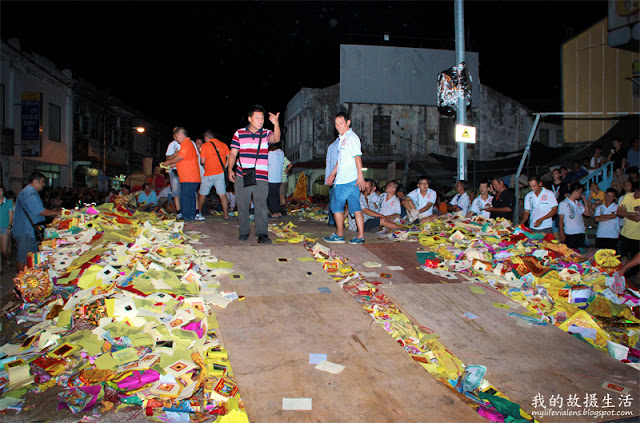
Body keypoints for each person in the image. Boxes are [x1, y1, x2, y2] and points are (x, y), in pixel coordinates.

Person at [228, 105, 281, 244]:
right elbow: (233, 153)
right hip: (242, 174)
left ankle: (262, 234)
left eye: (262, 118)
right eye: (257, 117)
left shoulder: (265, 133)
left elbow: (275, 139)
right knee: (243, 204)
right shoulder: (239, 133)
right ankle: (244, 231)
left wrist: (276, 124)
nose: (260, 120)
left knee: (261, 205)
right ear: (249, 118)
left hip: (261, 175)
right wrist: (230, 169)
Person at [323, 111, 366, 244]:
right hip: (351, 180)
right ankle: (360, 236)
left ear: (348, 122)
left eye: (341, 123)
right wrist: (332, 173)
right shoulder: (343, 138)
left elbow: (357, 157)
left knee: (336, 206)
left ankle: (340, 235)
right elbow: (341, 160)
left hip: (346, 180)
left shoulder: (351, 138)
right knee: (355, 208)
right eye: (336, 124)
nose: (338, 126)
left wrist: (361, 175)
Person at [13, 173, 61, 271]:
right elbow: (40, 210)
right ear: (35, 181)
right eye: (42, 182)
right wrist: (58, 213)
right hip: (26, 231)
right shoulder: (29, 193)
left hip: (28, 230)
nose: (44, 184)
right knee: (24, 257)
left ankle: (26, 280)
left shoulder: (29, 192)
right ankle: (20, 281)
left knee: (30, 257)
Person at [162, 127, 201, 222]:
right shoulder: (189, 143)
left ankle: (186, 217)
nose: (176, 139)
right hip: (191, 176)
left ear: (181, 135)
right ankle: (191, 216)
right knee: (190, 196)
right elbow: (184, 159)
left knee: (185, 196)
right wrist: (173, 164)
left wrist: (168, 162)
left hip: (189, 176)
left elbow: (180, 157)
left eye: (176, 136)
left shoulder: (186, 143)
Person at [200, 130, 230, 220]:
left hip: (209, 173)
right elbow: (230, 156)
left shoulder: (205, 146)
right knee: (222, 194)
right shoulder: (223, 145)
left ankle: (199, 213)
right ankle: (226, 215)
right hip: (220, 173)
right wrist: (225, 166)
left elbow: (202, 161)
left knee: (202, 194)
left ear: (206, 137)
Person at [558, 183, 590, 248]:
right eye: (580, 193)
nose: (580, 195)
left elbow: (587, 213)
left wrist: (585, 201)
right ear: (575, 192)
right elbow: (561, 220)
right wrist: (561, 232)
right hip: (570, 233)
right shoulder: (563, 203)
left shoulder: (578, 203)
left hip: (580, 232)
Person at [617, 181, 640, 266]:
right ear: (636, 190)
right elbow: (619, 212)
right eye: (638, 193)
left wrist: (626, 213)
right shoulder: (628, 196)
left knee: (636, 259)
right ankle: (623, 276)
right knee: (623, 256)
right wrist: (631, 214)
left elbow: (637, 219)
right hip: (625, 232)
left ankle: (637, 279)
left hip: (637, 235)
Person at [165, 130, 182, 218]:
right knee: (175, 191)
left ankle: (188, 210)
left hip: (186, 170)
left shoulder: (188, 144)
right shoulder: (172, 144)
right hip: (175, 170)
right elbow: (168, 158)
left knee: (186, 191)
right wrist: (175, 155)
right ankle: (179, 212)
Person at [324, 133, 340, 227]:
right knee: (338, 201)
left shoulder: (331, 146)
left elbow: (327, 161)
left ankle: (331, 220)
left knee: (333, 200)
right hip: (339, 177)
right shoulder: (341, 145)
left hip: (332, 177)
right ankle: (336, 221)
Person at [267, 143, 285, 218]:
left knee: (271, 196)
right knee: (276, 195)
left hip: (271, 177)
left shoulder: (270, 153)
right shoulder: (281, 152)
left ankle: (274, 212)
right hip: (278, 177)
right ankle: (278, 211)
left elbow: (267, 163)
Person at [0, 186, 14, 270]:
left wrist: (9, 226)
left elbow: (10, 215)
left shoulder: (8, 202)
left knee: (4, 250)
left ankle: (8, 260)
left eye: (1, 191)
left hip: (5, 227)